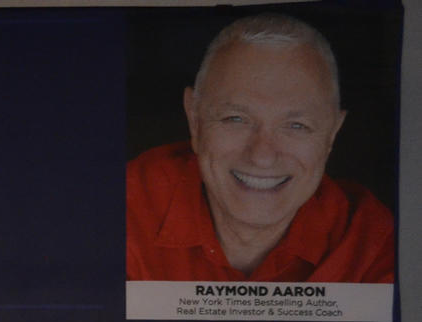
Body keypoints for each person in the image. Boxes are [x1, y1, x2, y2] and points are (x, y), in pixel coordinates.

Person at [126, 13, 394, 283]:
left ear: (332, 134)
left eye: (296, 125)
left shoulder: (371, 242)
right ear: (195, 120)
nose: (262, 156)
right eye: (236, 119)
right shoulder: (123, 209)